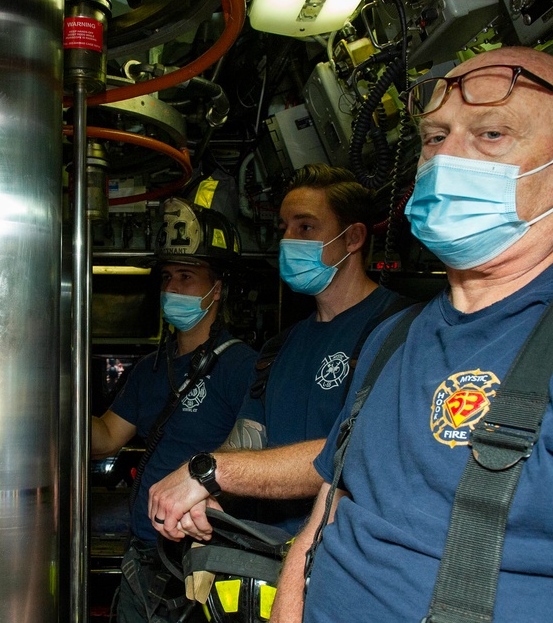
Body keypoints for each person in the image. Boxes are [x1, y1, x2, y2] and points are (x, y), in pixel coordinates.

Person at [271, 46, 553, 622]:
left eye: (490, 135)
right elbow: (324, 519)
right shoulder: (394, 336)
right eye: (435, 137)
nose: (447, 158)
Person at [147, 166, 409, 541]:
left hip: (351, 561)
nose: (288, 240)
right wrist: (205, 496)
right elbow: (249, 436)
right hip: (270, 555)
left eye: (305, 227)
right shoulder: (280, 347)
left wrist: (208, 471)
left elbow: (361, 450)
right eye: (284, 227)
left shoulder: (403, 330)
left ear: (352, 237)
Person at [91, 197, 257, 622]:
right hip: (142, 554)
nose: (171, 289)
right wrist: (53, 403)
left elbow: (256, 454)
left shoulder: (241, 366)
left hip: (199, 557)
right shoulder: (151, 368)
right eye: (167, 277)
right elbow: (106, 437)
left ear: (216, 289)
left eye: (187, 277)